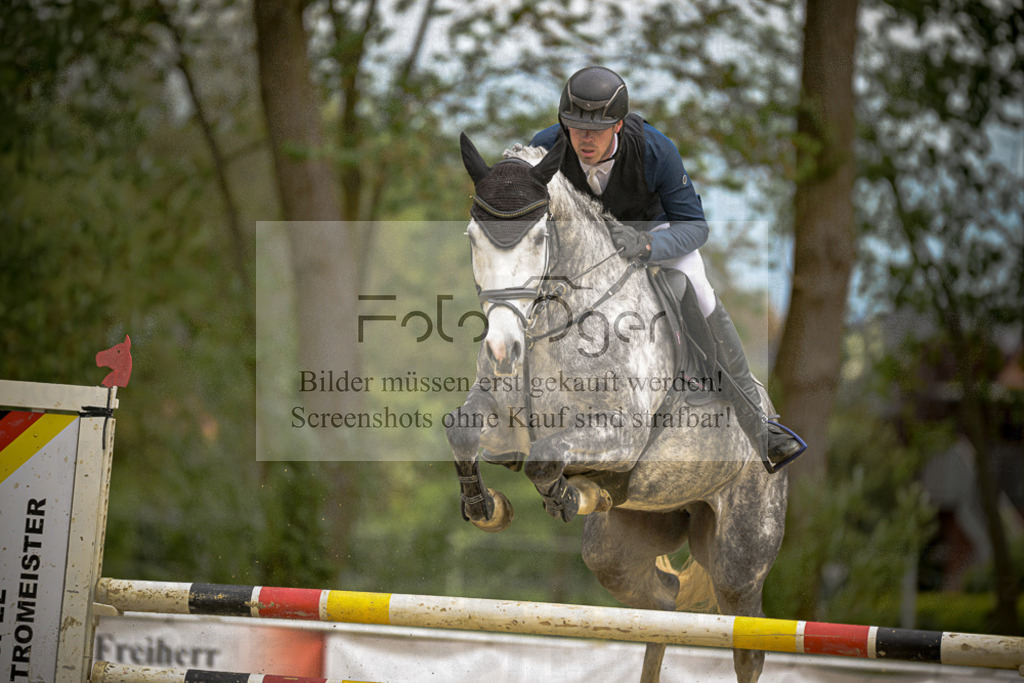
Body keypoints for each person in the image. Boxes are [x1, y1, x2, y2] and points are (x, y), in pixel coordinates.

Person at [530, 65, 804, 472]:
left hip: (653, 233)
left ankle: (758, 424)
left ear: (617, 125)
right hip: (582, 248)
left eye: (597, 129)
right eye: (576, 127)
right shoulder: (545, 149)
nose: (585, 139)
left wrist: (646, 245)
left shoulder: (656, 150)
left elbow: (694, 226)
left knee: (699, 286)